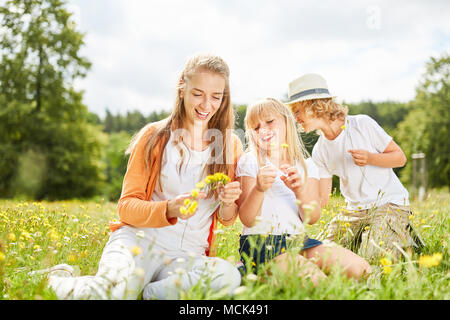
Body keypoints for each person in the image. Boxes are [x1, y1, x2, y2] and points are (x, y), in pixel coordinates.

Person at [43, 53, 244, 300]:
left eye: (216, 97)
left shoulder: (229, 145)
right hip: (139, 242)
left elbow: (227, 219)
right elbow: (126, 208)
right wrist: (169, 208)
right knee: (104, 295)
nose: (206, 105)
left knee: (229, 277)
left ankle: (151, 294)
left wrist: (227, 201)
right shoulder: (155, 136)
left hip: (188, 256)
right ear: (182, 89)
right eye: (198, 94)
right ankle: (57, 279)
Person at [285, 73, 424, 262]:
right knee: (321, 256)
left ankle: (404, 238)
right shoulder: (320, 150)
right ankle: (390, 237)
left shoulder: (361, 124)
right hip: (354, 212)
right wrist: (297, 190)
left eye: (297, 111)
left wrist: (370, 158)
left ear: (313, 105)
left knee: (375, 258)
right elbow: (322, 199)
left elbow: (400, 158)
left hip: (389, 203)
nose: (296, 118)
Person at [236, 97, 371, 286]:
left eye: (269, 121)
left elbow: (312, 217)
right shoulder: (250, 161)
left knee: (362, 271)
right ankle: (256, 270)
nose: (263, 130)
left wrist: (300, 191)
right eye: (256, 128)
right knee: (318, 283)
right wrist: (259, 189)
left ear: (287, 122)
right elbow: (247, 219)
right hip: (262, 243)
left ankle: (271, 274)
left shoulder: (306, 166)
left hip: (300, 242)